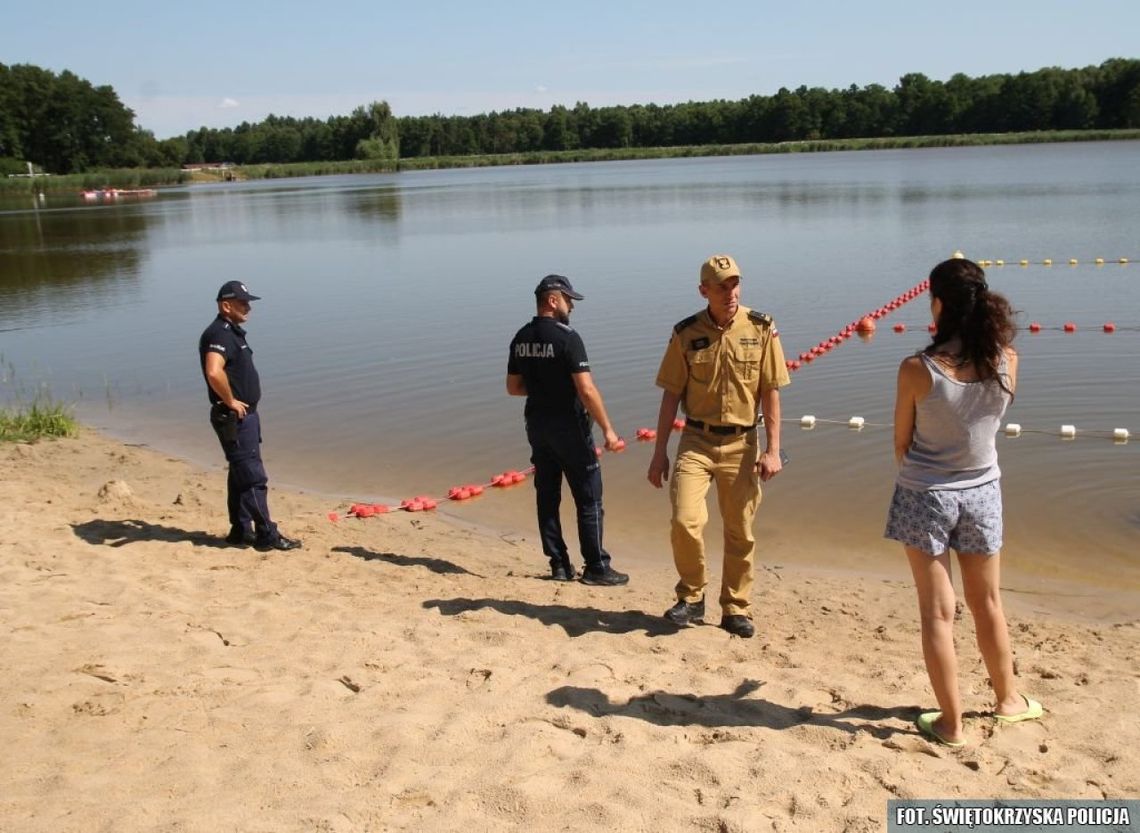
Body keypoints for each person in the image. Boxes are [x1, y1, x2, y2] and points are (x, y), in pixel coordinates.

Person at [886, 257, 1043, 747]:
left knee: (937, 613)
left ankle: (951, 725)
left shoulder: (918, 369)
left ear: (937, 304)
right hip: (983, 493)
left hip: (924, 495)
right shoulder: (1008, 360)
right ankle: (1008, 700)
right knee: (988, 602)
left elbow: (901, 442)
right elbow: (987, 425)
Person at [647, 255, 790, 638]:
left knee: (740, 530)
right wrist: (659, 452)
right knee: (684, 520)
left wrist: (774, 449)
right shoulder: (686, 333)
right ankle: (692, 597)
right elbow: (670, 396)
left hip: (743, 442)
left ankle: (735, 608)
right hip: (695, 440)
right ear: (703, 290)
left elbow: (770, 391)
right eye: (722, 285)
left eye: (735, 284)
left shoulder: (761, 328)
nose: (731, 292)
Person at [507, 275, 629, 586]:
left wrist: (544, 388)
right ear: (552, 300)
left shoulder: (520, 337)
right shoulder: (567, 338)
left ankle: (559, 565)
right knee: (589, 497)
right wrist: (609, 432)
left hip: (536, 425)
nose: (571, 306)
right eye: (568, 299)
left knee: (547, 495)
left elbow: (514, 387)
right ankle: (596, 567)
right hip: (570, 427)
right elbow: (587, 390)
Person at [199, 281, 301, 552]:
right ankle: (267, 535)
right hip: (234, 417)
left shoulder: (230, 332)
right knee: (253, 477)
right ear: (226, 305)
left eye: (249, 302)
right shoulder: (218, 335)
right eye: (243, 303)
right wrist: (230, 400)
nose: (248, 308)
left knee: (239, 474)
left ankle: (240, 530)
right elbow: (213, 371)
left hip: (244, 416)